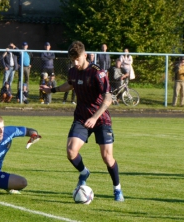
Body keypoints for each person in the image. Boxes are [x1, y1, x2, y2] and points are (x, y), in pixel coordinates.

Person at [40, 41, 124, 201]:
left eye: (77, 59)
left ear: (85, 55)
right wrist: (52, 90)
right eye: (72, 60)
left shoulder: (97, 73)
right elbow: (70, 85)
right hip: (81, 117)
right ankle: (84, 172)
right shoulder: (73, 71)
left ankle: (117, 188)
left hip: (101, 119)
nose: (75, 63)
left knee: (107, 157)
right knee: (71, 152)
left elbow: (108, 97)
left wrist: (95, 117)